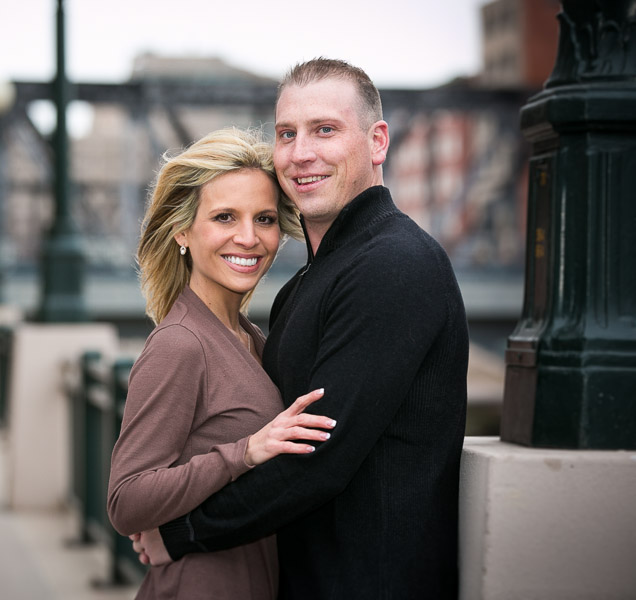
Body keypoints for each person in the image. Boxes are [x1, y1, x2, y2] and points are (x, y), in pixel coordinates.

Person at [134, 58, 470, 599]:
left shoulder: (395, 265)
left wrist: (182, 532)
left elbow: (318, 461)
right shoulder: (305, 286)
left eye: (326, 130)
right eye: (287, 133)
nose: (301, 153)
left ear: (378, 141)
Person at [107, 126, 337, 599]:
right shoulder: (181, 343)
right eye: (225, 217)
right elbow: (126, 500)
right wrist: (245, 452)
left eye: (266, 219)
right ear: (182, 231)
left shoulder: (251, 338)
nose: (249, 238)